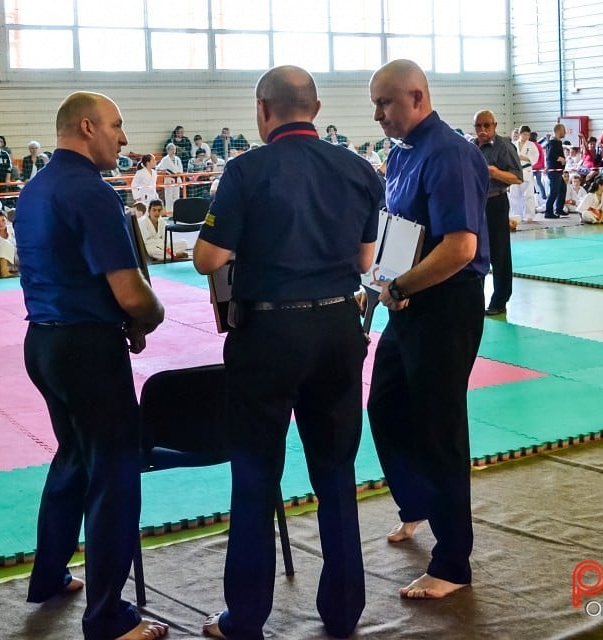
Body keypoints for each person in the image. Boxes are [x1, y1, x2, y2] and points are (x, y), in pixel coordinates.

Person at [193, 65, 381, 640]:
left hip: (268, 336)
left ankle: (246, 617)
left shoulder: (246, 170)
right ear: (316, 109)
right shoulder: (359, 170)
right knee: (335, 474)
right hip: (336, 330)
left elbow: (207, 258)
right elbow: (366, 261)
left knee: (254, 477)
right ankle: (344, 610)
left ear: (262, 110)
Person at [15, 91, 167, 640]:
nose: (123, 138)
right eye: (116, 126)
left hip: (44, 344)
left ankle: (50, 574)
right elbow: (131, 294)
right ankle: (108, 618)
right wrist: (153, 312)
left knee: (75, 455)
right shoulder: (92, 193)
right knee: (115, 472)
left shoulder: (33, 189)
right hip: (86, 350)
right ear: (86, 127)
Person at [366, 59, 489, 602]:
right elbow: (398, 229)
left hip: (446, 302)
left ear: (416, 96)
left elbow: (458, 247)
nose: (377, 115)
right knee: (385, 405)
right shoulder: (401, 153)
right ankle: (416, 502)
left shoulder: (450, 153)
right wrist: (381, 281)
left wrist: (400, 285)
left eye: (385, 104)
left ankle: (453, 562)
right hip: (407, 297)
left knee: (439, 428)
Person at [473, 110, 521, 316]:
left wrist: (495, 172)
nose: (483, 130)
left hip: (496, 202)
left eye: (487, 126)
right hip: (475, 204)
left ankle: (500, 300)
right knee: (473, 252)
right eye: (478, 126)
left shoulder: (504, 147)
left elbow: (517, 177)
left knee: (499, 253)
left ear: (494, 125)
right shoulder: (471, 147)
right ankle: (475, 299)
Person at [509, 125, 539, 224]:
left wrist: (523, 157)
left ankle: (529, 215)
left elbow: (535, 157)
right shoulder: (513, 144)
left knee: (528, 195)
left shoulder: (531, 145)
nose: (526, 136)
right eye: (524, 134)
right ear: (520, 134)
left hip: (527, 171)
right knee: (514, 194)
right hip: (515, 171)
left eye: (528, 135)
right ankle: (516, 215)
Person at [544, 124, 567, 218]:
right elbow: (550, 155)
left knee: (562, 189)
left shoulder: (556, 142)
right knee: (554, 191)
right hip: (554, 171)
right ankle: (548, 212)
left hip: (557, 171)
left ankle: (559, 209)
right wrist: (560, 158)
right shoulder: (554, 142)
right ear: (558, 131)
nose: (565, 132)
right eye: (563, 130)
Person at [156, 144, 184, 211]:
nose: (173, 151)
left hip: (177, 179)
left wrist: (178, 173)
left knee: (176, 197)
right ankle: (169, 213)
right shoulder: (165, 159)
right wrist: (166, 171)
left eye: (174, 149)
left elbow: (181, 169)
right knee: (169, 197)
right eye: (171, 149)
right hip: (169, 179)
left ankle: (177, 211)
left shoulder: (178, 159)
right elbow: (158, 168)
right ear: (168, 150)